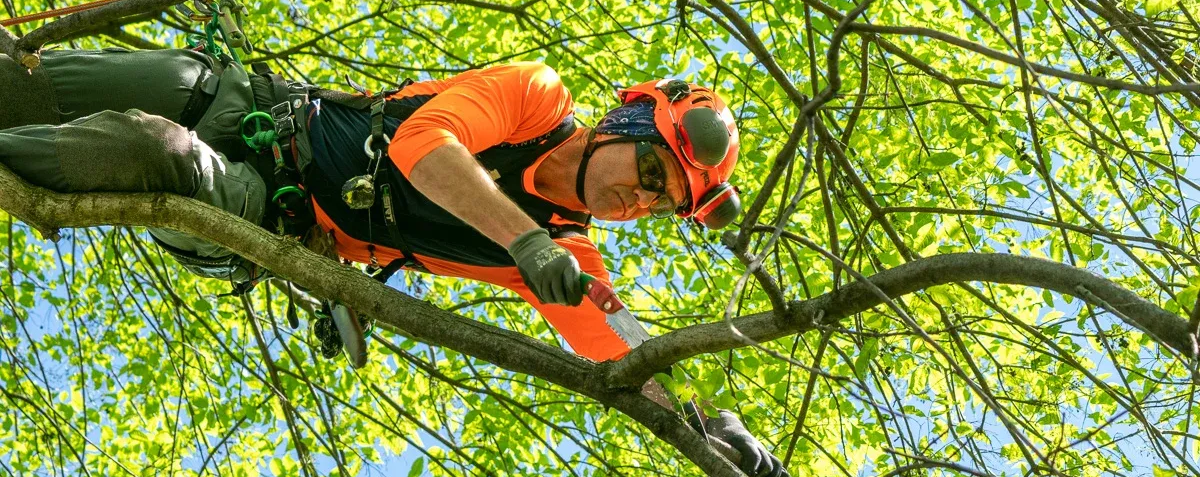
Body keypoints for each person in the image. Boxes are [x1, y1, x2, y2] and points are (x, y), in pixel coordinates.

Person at [0, 48, 787, 476]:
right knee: (22, 80)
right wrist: (525, 237)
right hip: (248, 102)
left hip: (272, 218)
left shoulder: (569, 258)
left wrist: (707, 424)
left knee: (154, 152)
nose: (639, 200)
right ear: (625, 124)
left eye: (662, 204)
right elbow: (422, 145)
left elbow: (625, 345)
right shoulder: (534, 98)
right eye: (650, 173)